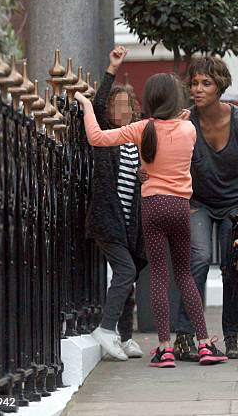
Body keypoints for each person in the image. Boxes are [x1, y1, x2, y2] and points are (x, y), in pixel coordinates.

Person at [75, 72, 228, 368]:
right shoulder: (189, 130)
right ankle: (205, 344)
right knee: (184, 276)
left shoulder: (142, 128)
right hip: (181, 208)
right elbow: (180, 122)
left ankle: (164, 348)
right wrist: (181, 115)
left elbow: (96, 137)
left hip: (152, 206)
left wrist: (86, 106)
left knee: (158, 276)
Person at [172, 57, 238, 362]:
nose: (198, 89)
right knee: (198, 258)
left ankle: (232, 334)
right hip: (198, 200)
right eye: (195, 83)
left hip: (233, 201)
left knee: (234, 265)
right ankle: (186, 336)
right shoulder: (185, 122)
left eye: (206, 83)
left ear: (220, 86)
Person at [88, 46, 148, 361]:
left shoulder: (137, 140)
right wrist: (112, 69)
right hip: (108, 220)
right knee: (125, 273)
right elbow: (96, 106)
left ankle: (125, 337)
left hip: (131, 223)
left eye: (128, 105)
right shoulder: (105, 137)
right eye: (117, 105)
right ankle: (107, 329)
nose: (122, 110)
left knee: (129, 278)